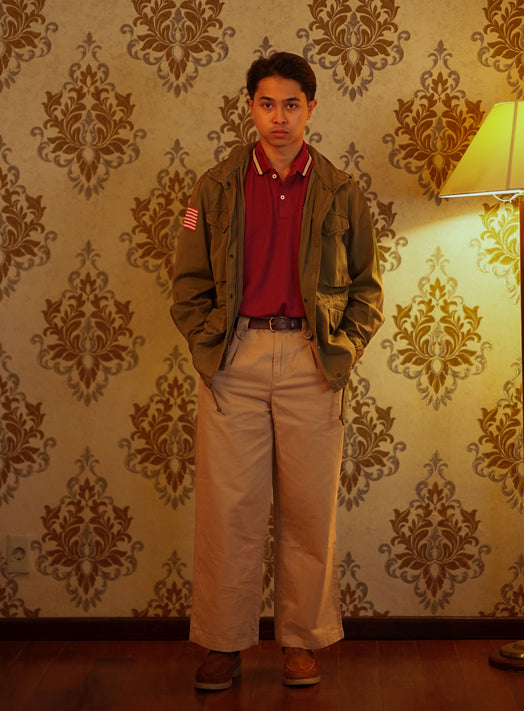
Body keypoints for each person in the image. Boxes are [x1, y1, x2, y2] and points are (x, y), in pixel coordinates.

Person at [170, 51, 384, 691]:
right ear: (251, 108)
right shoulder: (212, 188)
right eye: (267, 104)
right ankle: (223, 643)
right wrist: (210, 347)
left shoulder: (343, 191)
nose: (279, 117)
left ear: (311, 108)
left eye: (292, 104)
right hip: (235, 358)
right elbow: (188, 282)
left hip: (311, 361)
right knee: (228, 510)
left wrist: (341, 351)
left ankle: (301, 642)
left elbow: (368, 289)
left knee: (309, 510)